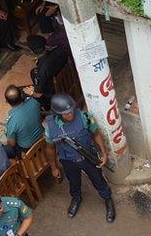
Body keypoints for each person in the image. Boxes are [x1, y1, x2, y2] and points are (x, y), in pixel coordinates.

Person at [44, 93, 115, 222]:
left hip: (88, 157)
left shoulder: (84, 117)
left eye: (71, 111)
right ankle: (76, 198)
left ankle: (108, 199)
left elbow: (96, 134)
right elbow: (50, 148)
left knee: (98, 179)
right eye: (66, 113)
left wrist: (104, 154)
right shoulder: (50, 127)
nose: (70, 114)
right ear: (57, 113)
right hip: (68, 161)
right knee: (73, 181)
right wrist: (54, 168)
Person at [26, 35, 68, 110]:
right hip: (66, 81)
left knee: (24, 93)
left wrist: (31, 92)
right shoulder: (59, 51)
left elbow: (38, 94)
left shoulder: (40, 71)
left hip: (53, 92)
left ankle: (47, 107)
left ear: (32, 51)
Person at [4, 85, 44, 158]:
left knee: (8, 146)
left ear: (7, 101)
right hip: (42, 138)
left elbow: (12, 143)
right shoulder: (34, 102)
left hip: (28, 150)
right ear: (21, 95)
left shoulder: (11, 121)